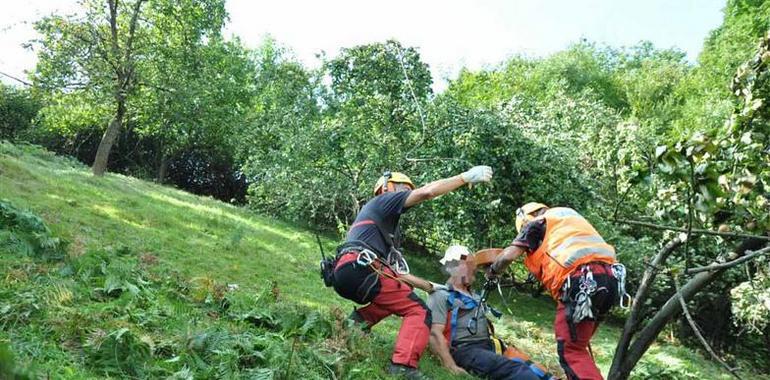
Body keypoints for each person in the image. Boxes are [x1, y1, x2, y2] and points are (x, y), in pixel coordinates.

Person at [331, 166, 493, 379]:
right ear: (387, 188)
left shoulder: (386, 226)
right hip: (361, 269)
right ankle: (403, 366)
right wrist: (464, 178)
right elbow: (427, 192)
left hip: (350, 272)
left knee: (400, 295)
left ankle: (354, 324)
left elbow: (397, 275)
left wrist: (430, 286)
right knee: (420, 311)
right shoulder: (382, 201)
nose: (407, 194)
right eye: (404, 188)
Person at [487, 203, 628, 380]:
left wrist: (492, 271)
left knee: (571, 350)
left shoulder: (535, 223)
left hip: (583, 281)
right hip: (610, 282)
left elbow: (508, 256)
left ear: (526, 217)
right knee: (578, 344)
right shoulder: (568, 219)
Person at [427, 245, 556, 380]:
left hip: (488, 345)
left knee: (534, 368)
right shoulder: (441, 296)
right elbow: (435, 334)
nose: (475, 268)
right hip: (465, 350)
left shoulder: (474, 296)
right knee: (516, 370)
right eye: (470, 265)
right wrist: (451, 366)